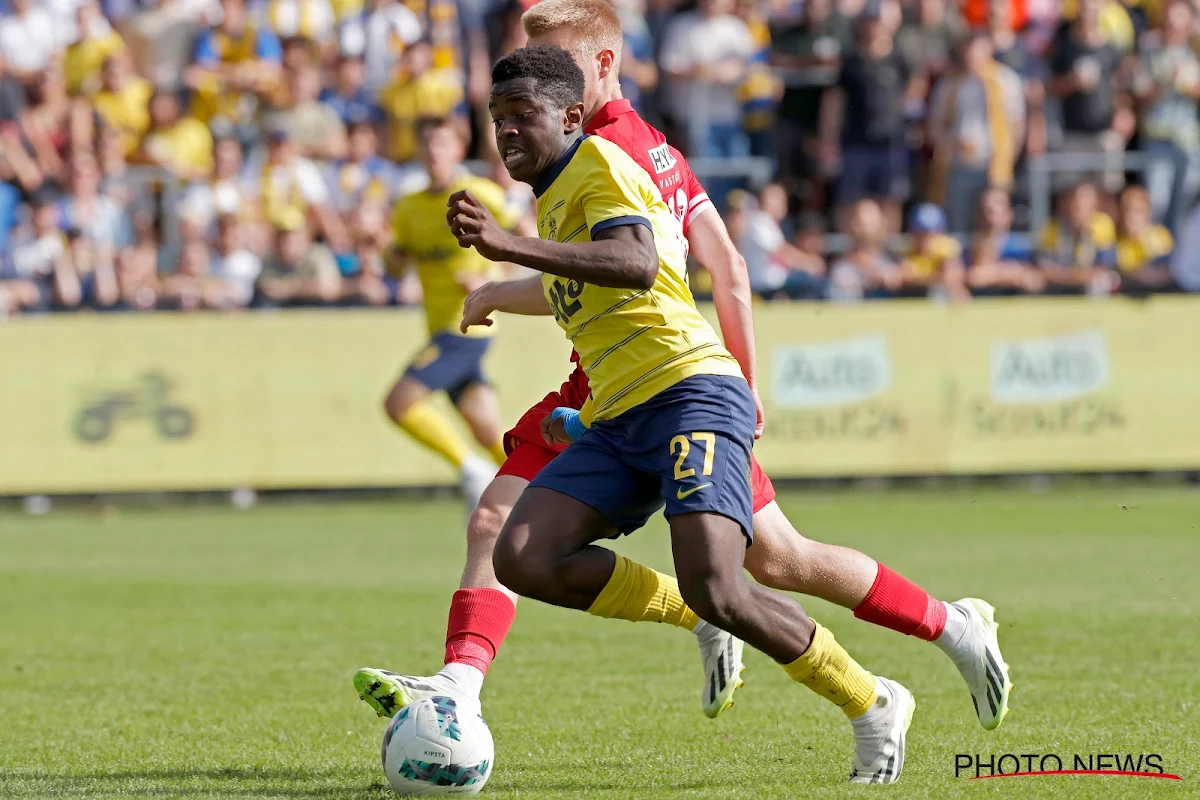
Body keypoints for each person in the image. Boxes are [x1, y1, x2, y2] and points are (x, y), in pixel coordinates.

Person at [352, 0, 1009, 756]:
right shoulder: (609, 150)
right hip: (619, 380)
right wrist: (505, 286)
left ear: (599, 68)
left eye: (556, 69)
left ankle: (907, 657)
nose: (532, 96)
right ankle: (463, 686)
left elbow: (653, 263)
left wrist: (740, 385)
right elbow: (696, 263)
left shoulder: (606, 149)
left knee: (751, 569)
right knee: (756, 558)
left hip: (658, 380)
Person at [459, 44, 915, 784]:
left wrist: (507, 248)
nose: (507, 131)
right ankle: (693, 614)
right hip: (621, 415)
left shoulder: (598, 166)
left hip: (691, 393)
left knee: (724, 582)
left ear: (572, 115)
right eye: (497, 118)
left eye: (523, 116)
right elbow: (606, 300)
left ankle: (873, 701)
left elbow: (636, 262)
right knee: (522, 556)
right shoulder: (554, 190)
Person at [382, 117, 532, 510]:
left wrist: (495, 277)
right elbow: (396, 267)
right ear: (418, 152)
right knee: (488, 431)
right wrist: (394, 257)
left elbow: (525, 237)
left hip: (468, 331)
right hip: (439, 328)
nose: (434, 153)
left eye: (442, 145)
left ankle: (470, 470)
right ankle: (537, 493)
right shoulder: (410, 207)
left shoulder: (477, 193)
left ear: (456, 150)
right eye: (428, 146)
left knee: (398, 403)